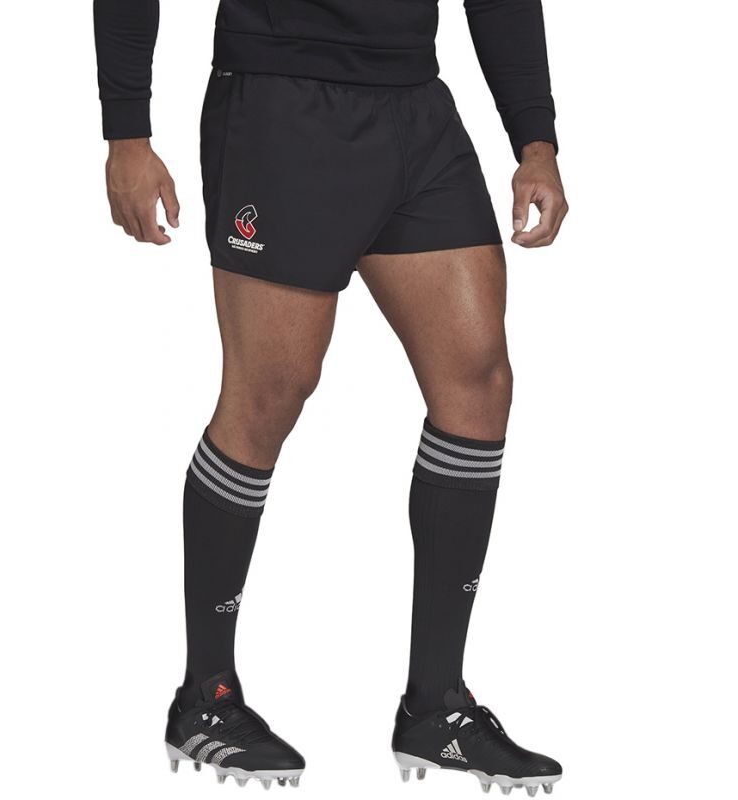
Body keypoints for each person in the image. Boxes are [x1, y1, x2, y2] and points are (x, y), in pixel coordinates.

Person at [94, 0, 568, 793]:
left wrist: (536, 141)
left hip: (416, 106)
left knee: (480, 381)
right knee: (269, 394)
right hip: (281, 102)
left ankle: (436, 709)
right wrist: (127, 133)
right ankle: (206, 699)